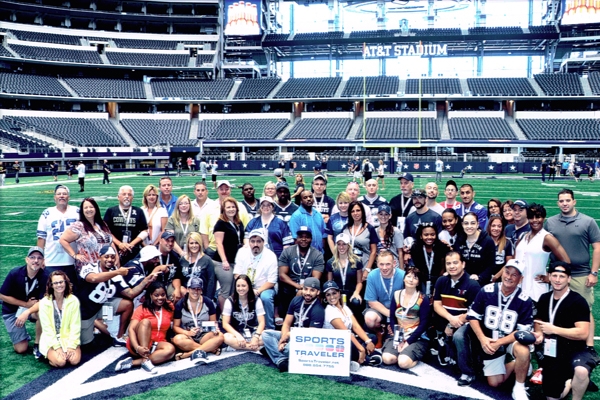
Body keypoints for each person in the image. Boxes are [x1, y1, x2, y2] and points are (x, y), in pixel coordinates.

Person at [465, 259, 533, 399]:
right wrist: (482, 339)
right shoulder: (487, 290)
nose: (509, 277)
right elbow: (472, 316)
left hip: (510, 340)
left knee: (523, 349)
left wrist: (499, 343)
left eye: (514, 275)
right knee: (494, 383)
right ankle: (518, 364)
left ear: (521, 279)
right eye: (507, 272)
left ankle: (519, 387)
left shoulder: (525, 299)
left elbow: (522, 332)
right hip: (489, 339)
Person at [545, 188, 600, 356]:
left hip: (580, 274)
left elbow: (597, 248)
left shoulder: (588, 221)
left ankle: (589, 347)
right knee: (556, 310)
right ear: (557, 203)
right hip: (557, 275)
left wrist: (594, 273)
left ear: (574, 201)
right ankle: (555, 343)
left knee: (585, 310)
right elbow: (545, 249)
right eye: (561, 201)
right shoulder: (551, 222)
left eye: (567, 200)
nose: (564, 203)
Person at [533, 262, 595, 400]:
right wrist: (539, 334)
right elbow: (538, 321)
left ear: (569, 279)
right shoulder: (544, 298)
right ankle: (569, 382)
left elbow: (583, 333)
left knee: (581, 371)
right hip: (552, 350)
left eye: (562, 276)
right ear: (549, 277)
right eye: (554, 275)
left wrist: (554, 329)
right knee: (553, 397)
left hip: (575, 349)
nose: (557, 279)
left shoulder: (578, 301)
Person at [75, 245, 136, 346]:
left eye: (112, 257)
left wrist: (146, 281)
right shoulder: (89, 267)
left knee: (127, 304)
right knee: (86, 344)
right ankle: (95, 323)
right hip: (85, 311)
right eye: (107, 256)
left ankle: (119, 337)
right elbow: (94, 278)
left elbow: (130, 293)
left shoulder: (114, 272)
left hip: (102, 307)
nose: (110, 259)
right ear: (99, 257)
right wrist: (117, 272)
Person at [261, 277, 325, 372]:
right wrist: (283, 340)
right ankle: (281, 360)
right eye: (305, 289)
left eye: (312, 290)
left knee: (288, 349)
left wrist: (288, 336)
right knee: (266, 334)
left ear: (318, 292)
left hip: (305, 341)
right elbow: (286, 323)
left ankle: (273, 351)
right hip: (291, 336)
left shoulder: (318, 310)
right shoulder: (296, 300)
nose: (308, 293)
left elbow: (311, 334)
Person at [432, 252, 481, 370]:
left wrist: (453, 323)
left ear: (463, 264)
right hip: (448, 319)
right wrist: (450, 320)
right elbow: (437, 304)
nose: (452, 266)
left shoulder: (472, 285)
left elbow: (473, 312)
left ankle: (467, 372)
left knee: (459, 336)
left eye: (455, 263)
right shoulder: (441, 281)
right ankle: (443, 345)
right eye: (448, 263)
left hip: (465, 322)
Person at [115, 282, 176, 373]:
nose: (160, 298)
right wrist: (137, 348)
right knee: (145, 322)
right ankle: (145, 358)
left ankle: (133, 362)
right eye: (156, 295)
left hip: (157, 343)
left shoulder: (169, 307)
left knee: (170, 350)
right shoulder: (142, 308)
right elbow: (131, 329)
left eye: (163, 295)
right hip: (139, 343)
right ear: (150, 295)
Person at [515, 203, 570, 302]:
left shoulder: (547, 238)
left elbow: (566, 261)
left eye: (538, 217)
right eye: (531, 217)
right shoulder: (523, 236)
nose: (535, 220)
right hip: (518, 288)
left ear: (544, 218)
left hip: (536, 290)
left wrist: (550, 277)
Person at [0, 246, 48, 357]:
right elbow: (2, 295)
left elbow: (43, 301)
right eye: (32, 257)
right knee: (21, 349)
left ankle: (38, 343)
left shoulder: (45, 276)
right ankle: (22, 335)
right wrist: (25, 304)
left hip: (32, 309)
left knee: (43, 312)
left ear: (43, 261)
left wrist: (27, 310)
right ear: (26, 259)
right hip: (12, 309)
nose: (36, 261)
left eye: (39, 258)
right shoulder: (15, 273)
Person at [322, 281, 381, 370]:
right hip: (337, 344)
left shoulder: (344, 307)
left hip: (348, 338)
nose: (332, 297)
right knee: (351, 345)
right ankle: (366, 359)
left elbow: (356, 326)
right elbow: (346, 333)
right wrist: (361, 348)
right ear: (325, 297)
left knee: (371, 337)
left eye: (334, 293)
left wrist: (368, 341)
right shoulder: (329, 311)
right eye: (328, 295)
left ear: (339, 293)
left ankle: (356, 359)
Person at [382, 266, 431, 370]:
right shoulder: (396, 294)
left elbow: (424, 324)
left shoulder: (423, 299)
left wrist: (408, 342)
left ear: (418, 282)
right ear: (404, 278)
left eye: (415, 278)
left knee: (403, 363)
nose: (411, 280)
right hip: (399, 333)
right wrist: (398, 339)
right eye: (408, 276)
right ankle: (402, 354)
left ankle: (416, 355)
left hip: (417, 337)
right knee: (387, 359)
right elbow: (392, 318)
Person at [234, 229, 278, 330]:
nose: (255, 244)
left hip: (264, 288)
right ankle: (239, 326)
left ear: (264, 242)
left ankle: (269, 328)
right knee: (235, 294)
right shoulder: (242, 252)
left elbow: (271, 281)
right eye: (253, 241)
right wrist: (245, 288)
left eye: (259, 241)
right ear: (249, 242)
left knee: (266, 298)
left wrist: (257, 291)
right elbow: (237, 274)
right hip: (244, 285)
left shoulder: (271, 256)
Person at [170, 277, 223, 361]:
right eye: (193, 288)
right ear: (188, 289)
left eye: (198, 289)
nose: (196, 291)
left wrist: (215, 329)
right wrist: (187, 332)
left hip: (204, 335)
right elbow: (175, 327)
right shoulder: (180, 304)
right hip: (189, 336)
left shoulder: (208, 302)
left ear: (201, 290)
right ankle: (210, 349)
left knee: (220, 336)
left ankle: (188, 354)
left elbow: (213, 322)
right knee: (177, 339)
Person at [277, 227, 325, 319]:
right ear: (296, 238)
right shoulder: (287, 252)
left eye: (307, 237)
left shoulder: (317, 255)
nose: (304, 239)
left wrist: (304, 289)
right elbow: (282, 275)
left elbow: (316, 278)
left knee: (315, 291)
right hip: (290, 287)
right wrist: (298, 286)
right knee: (282, 289)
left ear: (311, 239)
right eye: (301, 237)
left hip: (309, 289)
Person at [38, 271, 81, 368]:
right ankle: (50, 356)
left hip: (68, 338)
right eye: (55, 283)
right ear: (51, 285)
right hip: (51, 339)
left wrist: (71, 346)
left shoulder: (73, 300)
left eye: (61, 282)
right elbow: (47, 328)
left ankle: (64, 351)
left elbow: (75, 325)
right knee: (61, 362)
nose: (59, 285)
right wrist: (57, 348)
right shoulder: (44, 302)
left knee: (74, 361)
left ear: (66, 283)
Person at [37, 185, 80, 280]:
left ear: (68, 197)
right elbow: (41, 238)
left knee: (72, 291)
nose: (61, 196)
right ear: (54, 197)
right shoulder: (47, 213)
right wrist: (41, 257)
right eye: (59, 194)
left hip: (72, 260)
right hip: (52, 260)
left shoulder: (77, 211)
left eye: (64, 194)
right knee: (52, 291)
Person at [59, 197, 115, 270]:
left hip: (106, 266)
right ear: (82, 211)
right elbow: (63, 240)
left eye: (91, 207)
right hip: (88, 268)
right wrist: (75, 255)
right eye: (85, 208)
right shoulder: (79, 226)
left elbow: (110, 242)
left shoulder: (102, 224)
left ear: (96, 209)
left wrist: (116, 258)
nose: (88, 209)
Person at [212, 196, 245, 311]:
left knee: (233, 289)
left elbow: (242, 239)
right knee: (226, 290)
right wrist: (224, 260)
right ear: (223, 209)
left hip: (235, 261)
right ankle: (223, 315)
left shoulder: (238, 223)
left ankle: (230, 313)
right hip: (222, 262)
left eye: (233, 207)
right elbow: (219, 243)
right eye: (228, 207)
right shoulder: (221, 223)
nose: (231, 209)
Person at [364, 251, 406, 335]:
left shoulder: (403, 275)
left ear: (394, 263)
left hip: (399, 309)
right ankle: (380, 332)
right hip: (379, 309)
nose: (384, 268)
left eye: (388, 264)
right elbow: (372, 302)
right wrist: (391, 316)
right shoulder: (372, 275)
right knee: (370, 319)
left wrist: (397, 316)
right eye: (381, 264)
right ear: (377, 264)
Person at [103, 185, 148, 264]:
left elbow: (144, 231)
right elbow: (106, 231)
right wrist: (120, 244)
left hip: (134, 249)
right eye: (124, 194)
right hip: (115, 250)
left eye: (129, 195)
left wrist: (130, 244)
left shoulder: (139, 211)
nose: (127, 196)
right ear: (118, 197)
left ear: (132, 198)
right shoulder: (111, 211)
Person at [222, 275, 265, 351]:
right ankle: (252, 347)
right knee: (226, 337)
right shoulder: (229, 301)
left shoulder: (257, 300)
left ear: (249, 286)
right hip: (237, 333)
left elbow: (262, 322)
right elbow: (225, 323)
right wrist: (237, 335)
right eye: (238, 286)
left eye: (243, 286)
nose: (240, 288)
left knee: (267, 336)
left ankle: (241, 346)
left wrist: (256, 336)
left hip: (253, 332)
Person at [326, 233, 364, 318]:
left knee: (356, 302)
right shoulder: (330, 262)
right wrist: (333, 296)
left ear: (348, 245)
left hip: (351, 293)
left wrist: (356, 293)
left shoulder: (357, 260)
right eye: (339, 244)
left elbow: (359, 282)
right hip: (337, 294)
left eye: (344, 244)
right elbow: (330, 283)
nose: (341, 247)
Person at [408, 224, 450, 295]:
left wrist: (439, 282)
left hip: (438, 279)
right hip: (421, 281)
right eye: (426, 235)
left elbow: (443, 267)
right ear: (421, 236)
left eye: (432, 234)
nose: (429, 237)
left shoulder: (442, 247)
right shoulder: (415, 247)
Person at [456, 212, 496, 283]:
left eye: (472, 223)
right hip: (463, 281)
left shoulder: (488, 241)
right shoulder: (459, 240)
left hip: (481, 283)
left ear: (478, 224)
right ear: (462, 225)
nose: (469, 226)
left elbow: (491, 265)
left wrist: (480, 277)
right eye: (466, 223)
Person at [342, 201, 378, 276]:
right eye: (353, 211)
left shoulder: (370, 229)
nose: (355, 213)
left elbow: (373, 252)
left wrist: (367, 270)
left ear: (362, 212)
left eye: (358, 210)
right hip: (347, 268)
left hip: (364, 267)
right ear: (350, 213)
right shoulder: (345, 228)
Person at [178, 232, 216, 300]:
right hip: (185, 296)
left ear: (200, 244)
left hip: (201, 296)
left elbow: (211, 282)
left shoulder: (207, 260)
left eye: (196, 243)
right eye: (191, 243)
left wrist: (207, 300)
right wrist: (180, 288)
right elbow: (178, 279)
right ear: (188, 245)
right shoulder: (182, 260)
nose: (194, 245)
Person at [486, 214, 514, 282]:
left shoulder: (507, 242)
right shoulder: (484, 241)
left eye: (499, 226)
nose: (496, 229)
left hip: (501, 278)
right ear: (489, 227)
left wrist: (496, 276)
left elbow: (508, 263)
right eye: (493, 226)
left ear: (502, 228)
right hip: (485, 277)